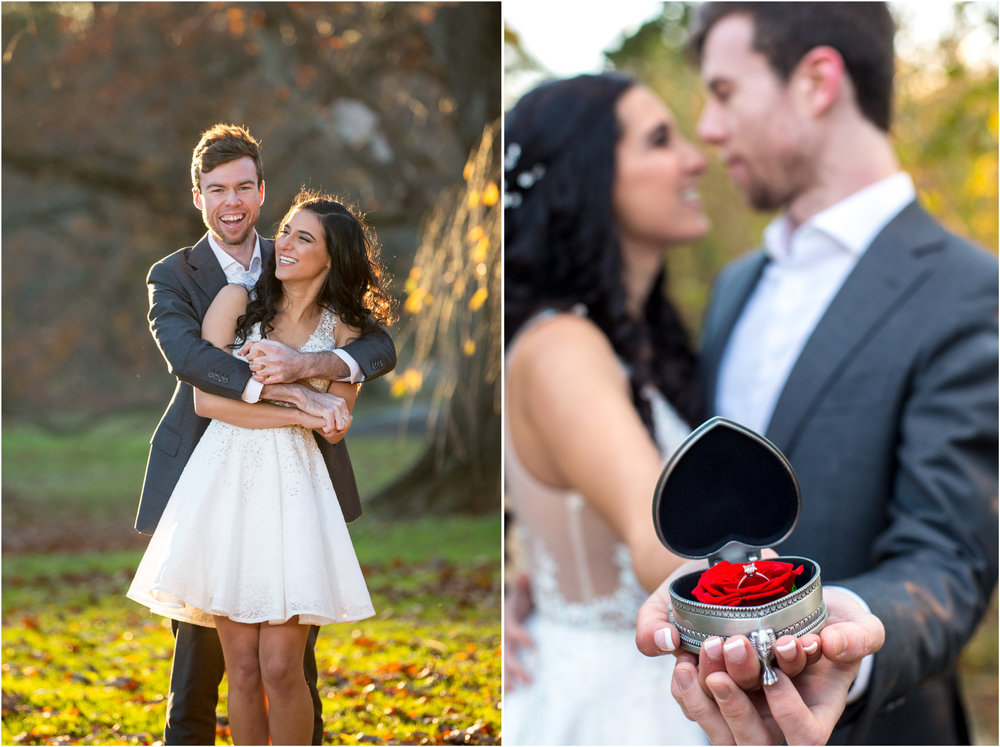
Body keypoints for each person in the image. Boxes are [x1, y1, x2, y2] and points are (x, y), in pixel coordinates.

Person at [635, 4, 998, 745]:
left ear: (818, 81)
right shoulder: (736, 284)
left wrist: (843, 642)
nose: (707, 127)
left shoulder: (973, 289)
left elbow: (948, 557)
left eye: (725, 92)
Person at [133, 123, 396, 745]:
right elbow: (196, 368)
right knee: (202, 672)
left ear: (260, 192)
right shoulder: (177, 277)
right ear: (197, 195)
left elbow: (375, 344)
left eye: (244, 187)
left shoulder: (298, 254)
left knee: (290, 666)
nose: (232, 201)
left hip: (296, 489)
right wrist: (301, 401)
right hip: (210, 480)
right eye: (216, 188)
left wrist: (313, 371)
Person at [503, 72, 710, 745]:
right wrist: (779, 605)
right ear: (586, 178)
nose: (695, 158)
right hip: (615, 702)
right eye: (659, 140)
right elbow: (659, 534)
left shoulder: (631, 340)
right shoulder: (563, 346)